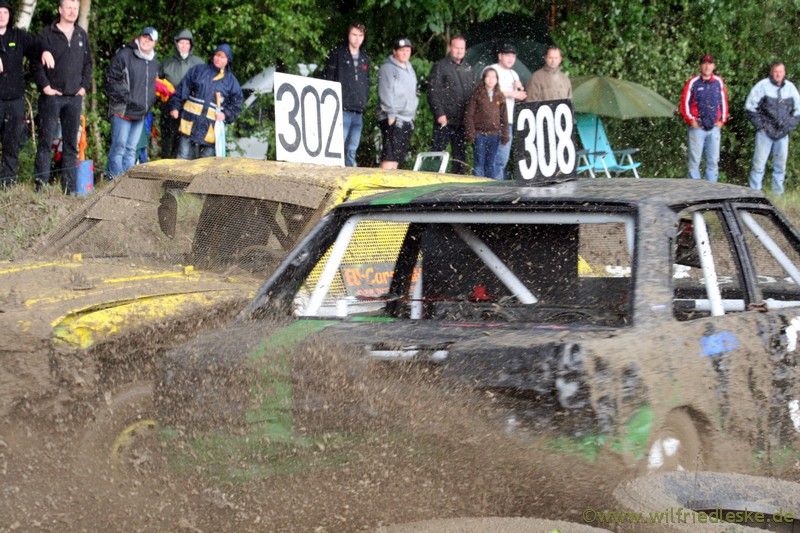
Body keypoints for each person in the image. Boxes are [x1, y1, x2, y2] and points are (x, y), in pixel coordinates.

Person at [33, 0, 92, 193]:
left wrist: (84, 86)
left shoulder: (81, 34)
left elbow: (88, 64)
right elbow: (35, 63)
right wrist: (45, 86)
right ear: (60, 10)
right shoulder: (46, 34)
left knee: (70, 145)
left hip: (74, 97)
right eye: (68, 8)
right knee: (46, 141)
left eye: (75, 8)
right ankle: (41, 185)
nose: (72, 11)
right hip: (52, 97)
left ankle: (69, 188)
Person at [168, 44, 243, 160]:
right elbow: (182, 89)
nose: (218, 59)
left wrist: (225, 114)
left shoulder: (231, 82)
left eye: (222, 57)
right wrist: (175, 107)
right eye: (217, 55)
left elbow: (237, 104)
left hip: (211, 130)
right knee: (182, 160)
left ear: (228, 60)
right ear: (213, 56)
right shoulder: (198, 70)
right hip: (189, 125)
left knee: (205, 165)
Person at [105, 26, 160, 179]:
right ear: (139, 37)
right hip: (122, 109)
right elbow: (111, 79)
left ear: (155, 43)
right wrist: (126, 98)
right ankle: (115, 182)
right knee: (119, 148)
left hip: (140, 113)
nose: (146, 41)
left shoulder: (154, 62)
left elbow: (152, 86)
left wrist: (149, 103)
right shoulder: (125, 54)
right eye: (145, 37)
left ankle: (128, 185)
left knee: (131, 150)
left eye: (150, 39)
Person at [745, 62, 800, 195]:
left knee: (780, 167)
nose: (778, 74)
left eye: (780, 72)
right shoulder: (762, 86)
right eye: (776, 71)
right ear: (771, 72)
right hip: (765, 133)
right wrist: (761, 126)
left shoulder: (790, 88)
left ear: (784, 73)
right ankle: (754, 194)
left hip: (782, 134)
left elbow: (798, 111)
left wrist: (788, 126)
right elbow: (750, 107)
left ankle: (778, 195)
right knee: (758, 165)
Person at [0, 0, 37, 187]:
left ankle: (8, 183)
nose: (1, 16)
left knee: (12, 142)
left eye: (5, 12)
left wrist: (46, 53)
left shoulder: (18, 35)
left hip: (15, 98)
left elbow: (38, 48)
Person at [322, 22, 370, 167]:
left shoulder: (364, 58)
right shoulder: (338, 54)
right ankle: (332, 173)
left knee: (352, 149)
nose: (357, 39)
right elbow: (329, 78)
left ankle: (348, 173)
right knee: (337, 147)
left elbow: (366, 81)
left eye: (360, 35)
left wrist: (364, 100)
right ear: (348, 35)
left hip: (358, 109)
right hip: (341, 108)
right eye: (354, 34)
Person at [427, 35, 475, 174]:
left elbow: (473, 94)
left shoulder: (468, 68)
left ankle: (457, 181)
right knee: (437, 152)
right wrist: (439, 114)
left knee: (460, 155)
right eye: (456, 48)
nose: (459, 51)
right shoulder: (440, 66)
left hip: (462, 120)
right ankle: (432, 179)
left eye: (462, 48)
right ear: (450, 48)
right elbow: (432, 92)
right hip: (445, 120)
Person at [679, 54, 729, 182]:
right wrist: (690, 120)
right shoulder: (693, 82)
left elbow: (723, 102)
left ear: (714, 66)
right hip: (697, 127)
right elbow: (684, 103)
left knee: (713, 162)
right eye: (704, 63)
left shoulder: (718, 82)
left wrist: (722, 120)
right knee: (694, 162)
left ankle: (710, 190)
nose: (707, 66)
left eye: (710, 63)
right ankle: (694, 191)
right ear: (700, 66)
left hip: (714, 127)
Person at [159, 29, 203, 158]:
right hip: (169, 110)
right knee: (168, 142)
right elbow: (157, 85)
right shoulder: (167, 63)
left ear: (191, 45)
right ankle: (166, 166)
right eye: (181, 43)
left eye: (187, 43)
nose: (184, 46)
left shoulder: (199, 63)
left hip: (191, 110)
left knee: (187, 144)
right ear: (176, 44)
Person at [485, 43, 526, 179]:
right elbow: (488, 91)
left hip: (508, 120)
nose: (510, 59)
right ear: (500, 56)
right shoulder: (491, 70)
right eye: (507, 55)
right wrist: (512, 93)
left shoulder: (514, 74)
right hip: (491, 119)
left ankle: (497, 185)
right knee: (491, 156)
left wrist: (520, 89)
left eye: (513, 56)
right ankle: (490, 185)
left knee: (503, 158)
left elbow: (518, 97)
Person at [377, 37, 418, 169]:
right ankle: (383, 180)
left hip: (407, 118)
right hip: (393, 118)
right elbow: (385, 92)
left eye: (407, 50)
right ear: (394, 51)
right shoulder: (387, 68)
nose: (405, 53)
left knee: (398, 157)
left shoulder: (410, 69)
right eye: (401, 50)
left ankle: (392, 180)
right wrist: (391, 114)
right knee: (389, 155)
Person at [464, 68, 508, 178]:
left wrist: (505, 134)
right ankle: (479, 186)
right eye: (488, 76)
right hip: (480, 135)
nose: (491, 79)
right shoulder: (477, 95)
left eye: (494, 77)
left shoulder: (500, 96)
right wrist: (471, 133)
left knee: (491, 163)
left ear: (497, 80)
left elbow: (504, 117)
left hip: (495, 135)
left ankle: (490, 186)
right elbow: (469, 115)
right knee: (479, 163)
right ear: (484, 79)